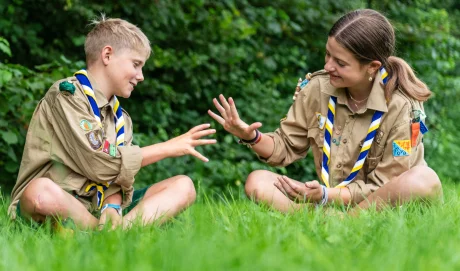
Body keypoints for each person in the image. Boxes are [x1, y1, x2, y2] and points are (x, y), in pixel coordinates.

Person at [208, 9, 442, 213]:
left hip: (381, 202)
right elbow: (285, 147)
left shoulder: (402, 107)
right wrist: (249, 136)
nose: (328, 66)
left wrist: (325, 196)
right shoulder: (318, 89)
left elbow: (388, 183)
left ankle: (345, 220)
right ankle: (332, 218)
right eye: (328, 54)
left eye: (340, 63)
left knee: (424, 180)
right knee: (257, 181)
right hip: (329, 197)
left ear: (372, 67)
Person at [8, 16, 217, 230]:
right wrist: (167, 147)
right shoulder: (67, 95)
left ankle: (114, 230)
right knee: (40, 193)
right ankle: (110, 232)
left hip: (99, 209)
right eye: (136, 64)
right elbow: (98, 162)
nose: (141, 76)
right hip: (59, 203)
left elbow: (118, 177)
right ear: (107, 55)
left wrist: (112, 207)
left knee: (184, 186)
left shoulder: (121, 118)